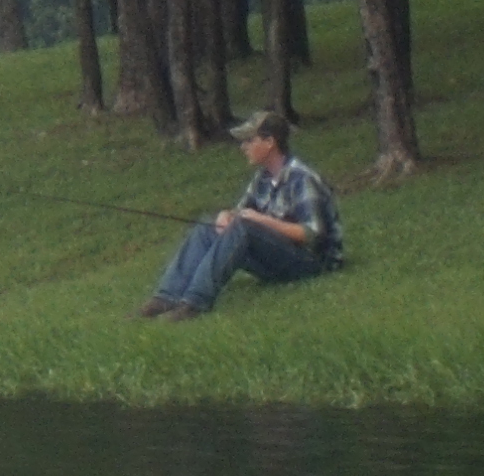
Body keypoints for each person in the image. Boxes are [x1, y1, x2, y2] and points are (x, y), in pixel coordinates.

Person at [138, 110, 342, 319]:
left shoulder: (302, 178)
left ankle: (194, 303)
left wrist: (261, 220)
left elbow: (312, 234)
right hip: (279, 258)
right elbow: (241, 213)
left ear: (270, 142)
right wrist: (226, 215)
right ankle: (165, 298)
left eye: (249, 141)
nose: (243, 147)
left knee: (244, 228)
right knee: (206, 228)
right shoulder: (262, 178)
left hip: (313, 262)